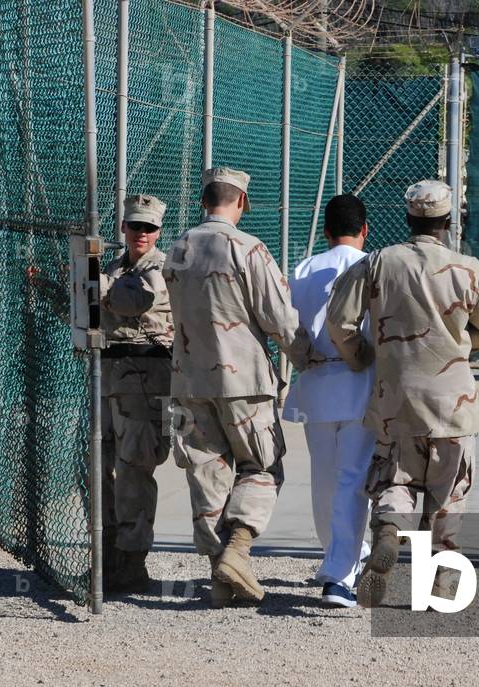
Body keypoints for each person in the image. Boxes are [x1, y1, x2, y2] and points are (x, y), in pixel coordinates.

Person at [326, 180, 479, 608]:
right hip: (454, 402)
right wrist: (459, 345)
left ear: (408, 218)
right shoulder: (470, 269)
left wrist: (363, 355)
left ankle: (387, 529)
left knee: (394, 479)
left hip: (395, 401)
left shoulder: (378, 262)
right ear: (447, 222)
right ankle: (439, 582)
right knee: (448, 493)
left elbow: (339, 321)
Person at [164, 167, 309, 607]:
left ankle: (220, 577)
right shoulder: (248, 248)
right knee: (262, 465)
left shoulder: (178, 247)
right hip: (243, 379)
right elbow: (280, 319)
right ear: (241, 202)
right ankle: (239, 548)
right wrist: (308, 358)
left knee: (207, 472)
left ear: (203, 200)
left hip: (190, 378)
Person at [282, 194, 375, 609]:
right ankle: (341, 573)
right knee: (353, 479)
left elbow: (290, 324)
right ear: (365, 229)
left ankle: (335, 557)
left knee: (324, 478)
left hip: (316, 380)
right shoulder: (373, 266)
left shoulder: (303, 268)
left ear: (326, 230)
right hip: (360, 380)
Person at [100, 194, 174, 593]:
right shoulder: (114, 267)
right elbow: (86, 308)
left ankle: (132, 560)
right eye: (134, 226)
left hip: (148, 383)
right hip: (110, 378)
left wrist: (91, 285)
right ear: (124, 227)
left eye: (148, 227)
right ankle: (110, 554)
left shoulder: (162, 269)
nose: (140, 233)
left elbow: (133, 301)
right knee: (97, 466)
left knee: (135, 469)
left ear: (158, 231)